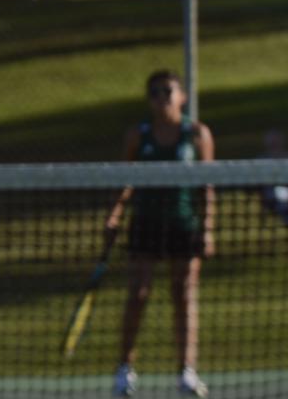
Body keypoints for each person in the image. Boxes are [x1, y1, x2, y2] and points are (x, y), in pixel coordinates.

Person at [103, 70, 215, 399]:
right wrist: (114, 215)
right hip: (146, 224)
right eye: (155, 92)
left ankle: (186, 373)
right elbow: (126, 180)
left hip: (183, 223)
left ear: (181, 96)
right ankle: (125, 370)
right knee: (138, 294)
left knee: (183, 295)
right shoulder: (138, 136)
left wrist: (207, 229)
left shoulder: (196, 134)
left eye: (167, 91)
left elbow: (207, 186)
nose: (162, 97)